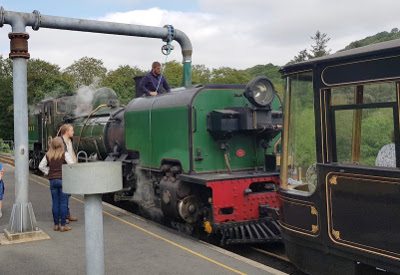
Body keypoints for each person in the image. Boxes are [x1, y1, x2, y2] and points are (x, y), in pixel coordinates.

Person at [39, 137, 74, 231]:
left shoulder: (48, 155)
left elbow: (41, 166)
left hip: (53, 181)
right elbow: (72, 165)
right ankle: (63, 225)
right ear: (61, 145)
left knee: (55, 202)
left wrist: (48, 172)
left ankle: (56, 225)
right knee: (63, 203)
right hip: (63, 180)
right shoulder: (64, 154)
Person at [60, 124, 78, 223]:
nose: (73, 132)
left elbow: (72, 154)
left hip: (70, 170)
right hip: (63, 171)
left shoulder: (70, 141)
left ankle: (67, 214)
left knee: (67, 195)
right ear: (67, 131)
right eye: (72, 130)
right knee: (63, 196)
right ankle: (62, 217)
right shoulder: (60, 141)